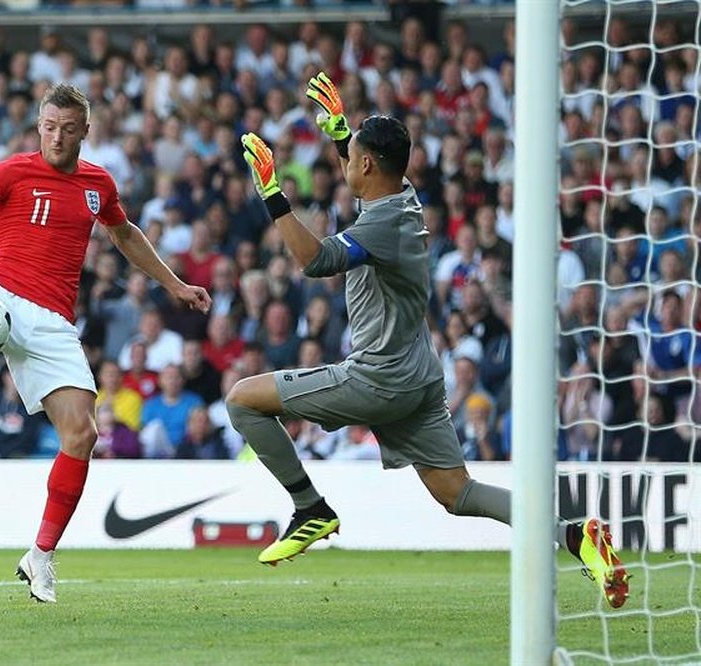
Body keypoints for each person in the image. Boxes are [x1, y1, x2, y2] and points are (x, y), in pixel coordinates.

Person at [228, 72, 629, 609]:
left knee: (243, 400)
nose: (345, 165)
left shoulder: (381, 225)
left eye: (351, 158)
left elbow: (316, 261)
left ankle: (309, 509)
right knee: (456, 494)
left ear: (368, 165)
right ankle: (575, 536)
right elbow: (368, 171)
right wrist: (341, 132)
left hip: (378, 378)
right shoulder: (403, 198)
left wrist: (273, 195)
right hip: (418, 373)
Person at [0, 83, 210, 603]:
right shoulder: (12, 170)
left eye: (68, 129)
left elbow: (127, 237)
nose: (57, 137)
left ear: (85, 132)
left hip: (53, 322)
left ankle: (41, 556)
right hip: (3, 295)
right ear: (38, 126)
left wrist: (175, 284)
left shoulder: (99, 184)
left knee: (82, 433)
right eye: (49, 127)